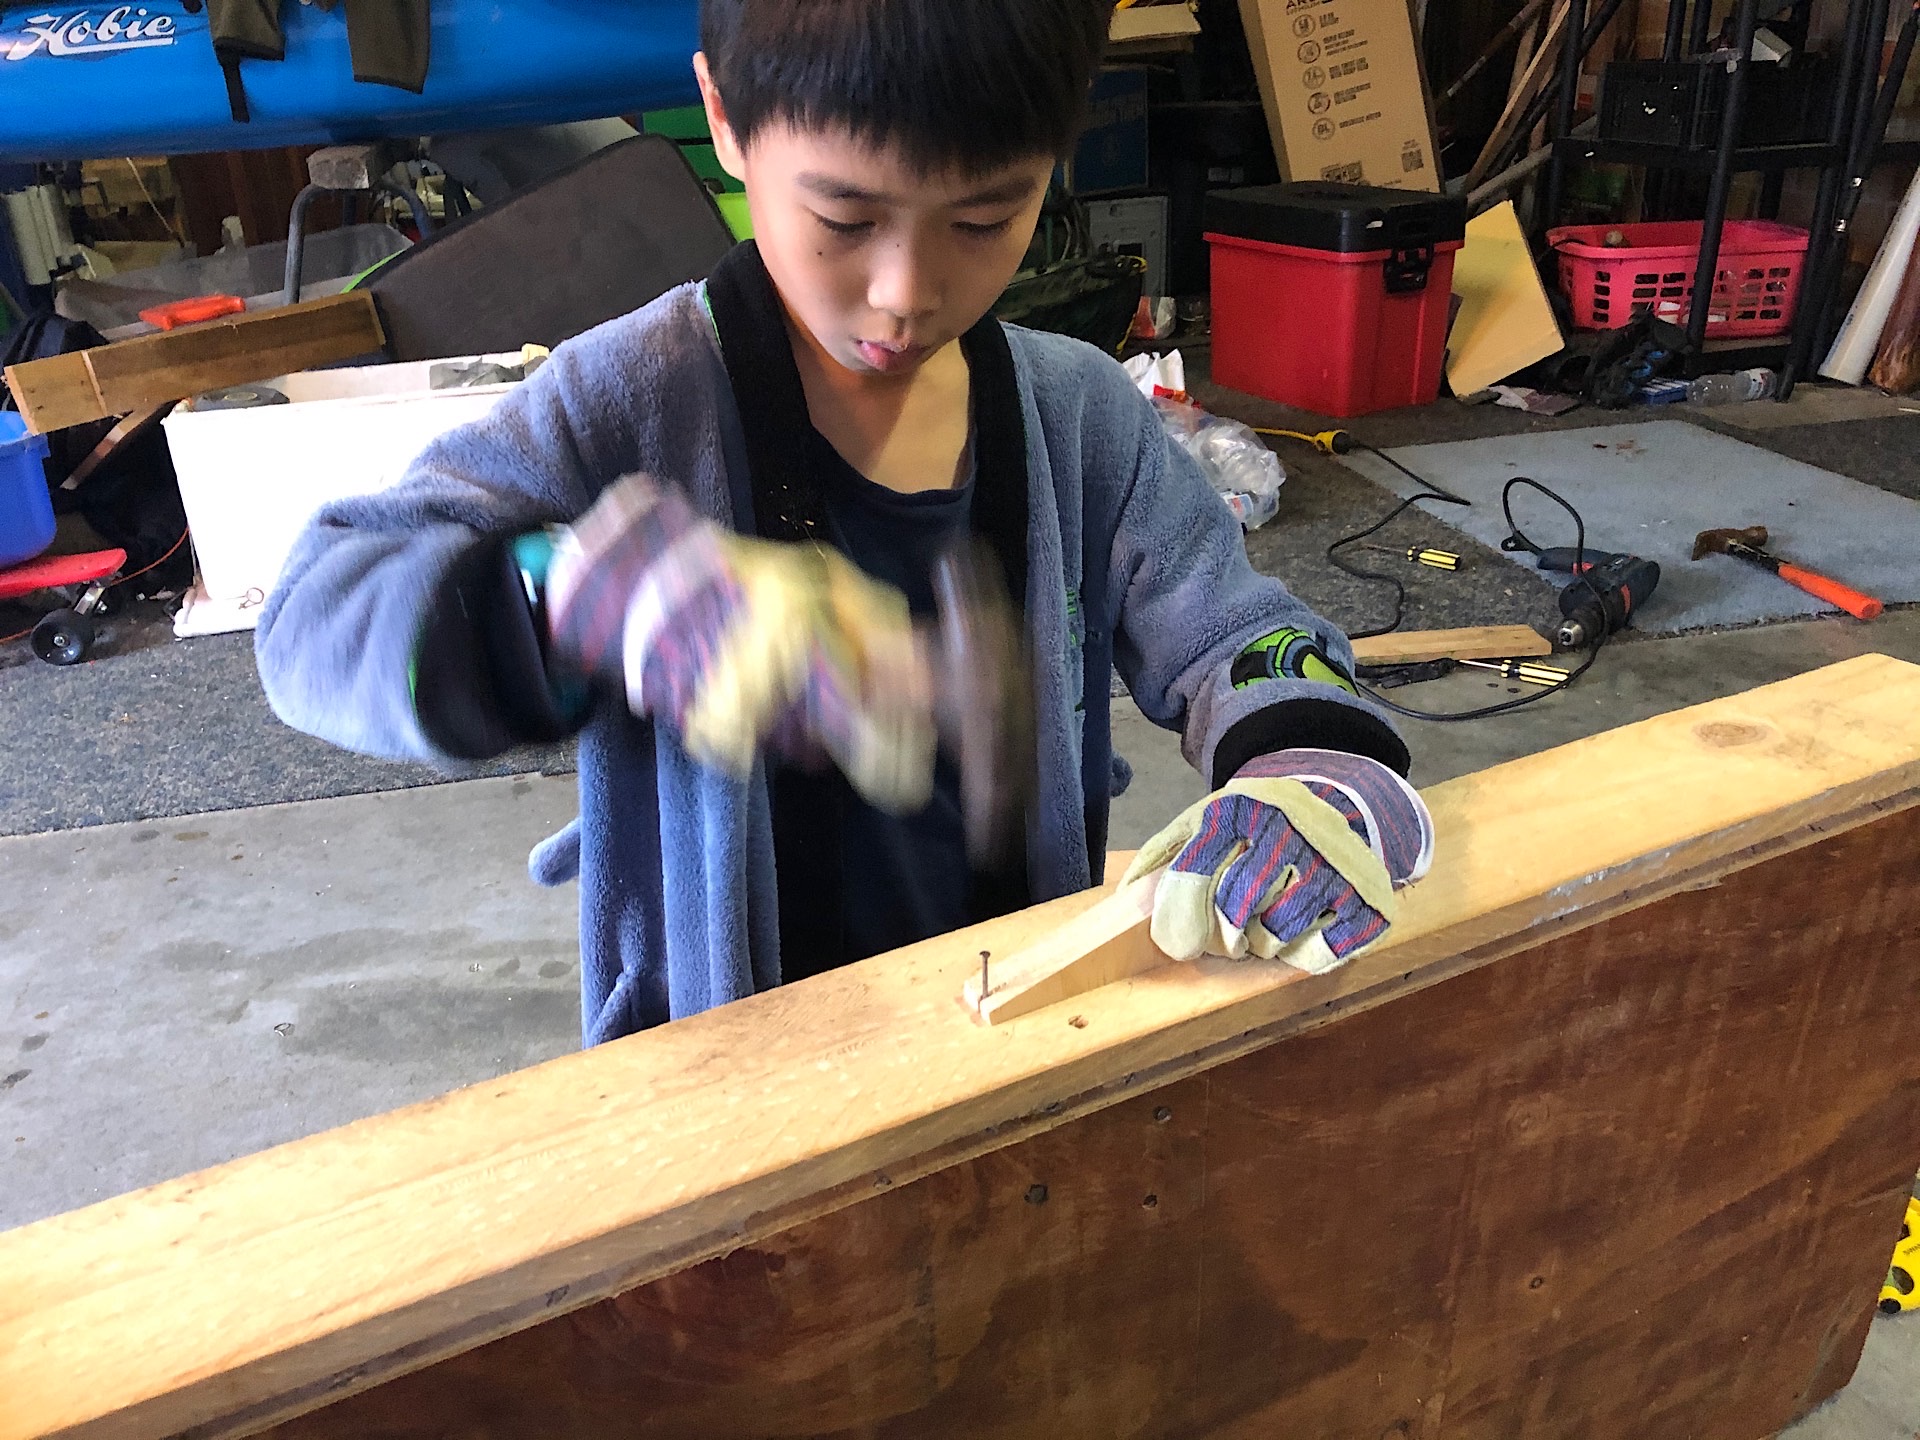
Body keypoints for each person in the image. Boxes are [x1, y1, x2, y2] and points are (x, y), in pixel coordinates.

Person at [256, 0, 1433, 1046]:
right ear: (723, 119)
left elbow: (1241, 642)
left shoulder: (1080, 420)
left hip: (1010, 1040)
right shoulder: (626, 400)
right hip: (725, 1087)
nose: (905, 293)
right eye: (845, 215)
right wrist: (566, 604)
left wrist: (1313, 775)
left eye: (983, 219)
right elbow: (313, 621)